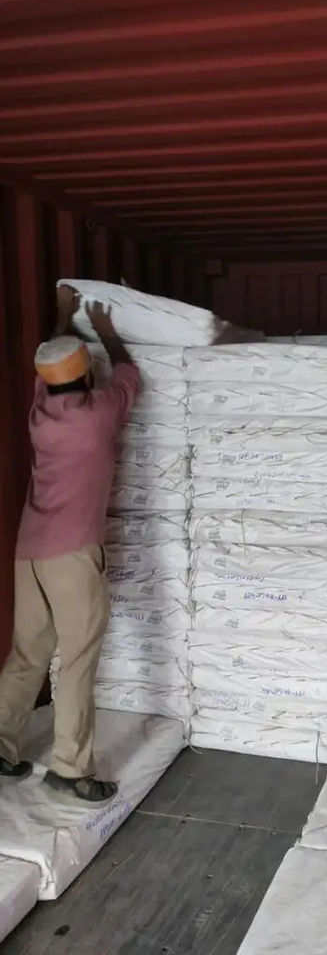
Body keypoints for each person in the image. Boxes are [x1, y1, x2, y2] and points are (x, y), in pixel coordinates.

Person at [0, 290, 140, 806]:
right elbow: (129, 376)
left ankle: (0, 745)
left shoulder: (41, 413)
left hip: (29, 552)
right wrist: (105, 331)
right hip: (72, 555)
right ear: (85, 374)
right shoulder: (96, 416)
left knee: (27, 652)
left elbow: (51, 365)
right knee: (77, 659)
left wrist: (62, 315)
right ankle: (71, 770)